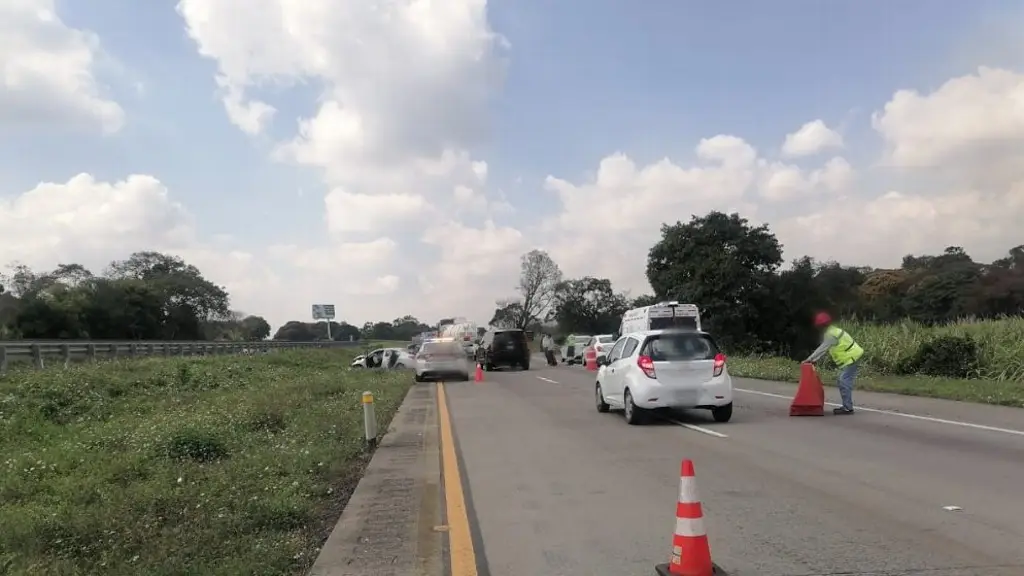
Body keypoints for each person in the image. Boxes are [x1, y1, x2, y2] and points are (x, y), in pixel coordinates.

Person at [803, 312, 864, 415]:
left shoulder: (830, 335)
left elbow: (822, 349)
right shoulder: (833, 331)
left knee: (843, 380)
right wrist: (814, 360)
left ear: (821, 326)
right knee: (843, 380)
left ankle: (848, 408)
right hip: (853, 356)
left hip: (852, 357)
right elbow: (827, 349)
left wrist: (809, 360)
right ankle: (847, 406)